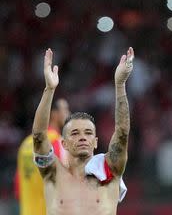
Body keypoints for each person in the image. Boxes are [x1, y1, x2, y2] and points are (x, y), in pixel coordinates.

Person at [31, 47, 134, 214]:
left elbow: (122, 132)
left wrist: (120, 85)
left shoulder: (109, 172)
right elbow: (39, 136)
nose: (82, 137)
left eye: (88, 133)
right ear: (63, 143)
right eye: (75, 133)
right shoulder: (53, 174)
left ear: (95, 142)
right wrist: (49, 90)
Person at [16, 98, 70, 215]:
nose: (68, 114)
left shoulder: (24, 144)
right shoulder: (58, 142)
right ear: (54, 114)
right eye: (65, 110)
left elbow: (18, 190)